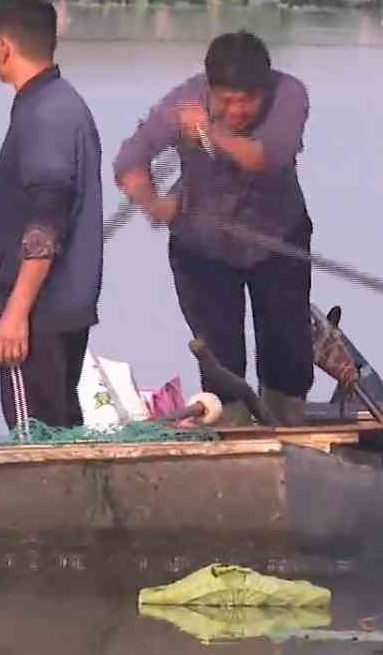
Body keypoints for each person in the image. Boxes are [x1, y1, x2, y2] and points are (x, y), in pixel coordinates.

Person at [113, 30, 313, 426]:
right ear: (209, 89)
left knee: (286, 351)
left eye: (247, 101)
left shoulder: (290, 95)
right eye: (226, 100)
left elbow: (267, 158)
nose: (237, 110)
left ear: (265, 88)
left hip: (278, 241)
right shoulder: (181, 104)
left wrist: (210, 132)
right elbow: (128, 161)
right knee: (221, 356)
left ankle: (287, 427)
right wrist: (154, 203)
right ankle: (233, 433)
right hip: (202, 248)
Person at [0, 0, 103, 430]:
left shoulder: (46, 114)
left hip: (39, 314)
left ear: (3, 47)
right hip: (60, 309)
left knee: (35, 437)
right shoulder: (60, 102)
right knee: (59, 431)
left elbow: (47, 220)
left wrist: (16, 312)